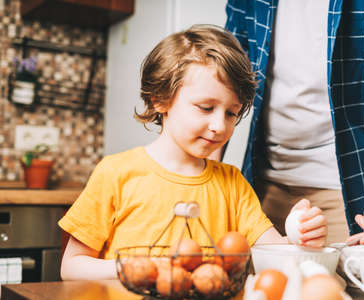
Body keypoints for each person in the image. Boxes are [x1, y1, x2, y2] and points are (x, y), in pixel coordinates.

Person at [58, 24, 327, 280]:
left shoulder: (233, 184)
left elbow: (275, 251)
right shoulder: (116, 173)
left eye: (231, 113)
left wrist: (298, 234)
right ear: (160, 98)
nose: (219, 126)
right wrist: (138, 267)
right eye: (206, 107)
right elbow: (71, 267)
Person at [224, 0, 364, 245]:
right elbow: (224, 78)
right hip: (260, 189)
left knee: (350, 284)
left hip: (358, 196)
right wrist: (200, 181)